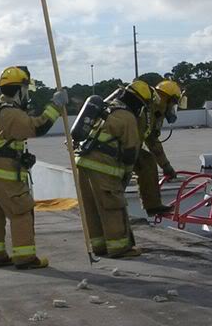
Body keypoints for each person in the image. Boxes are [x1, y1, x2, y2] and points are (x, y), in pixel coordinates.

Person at [0, 66, 67, 269]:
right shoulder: (11, 114)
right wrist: (55, 105)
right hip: (4, 176)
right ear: (20, 90)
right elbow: (38, 126)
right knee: (21, 213)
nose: (28, 94)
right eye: (27, 90)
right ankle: (25, 258)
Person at [74, 79, 153, 258]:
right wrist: (125, 175)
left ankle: (99, 246)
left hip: (82, 163)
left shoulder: (107, 108)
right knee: (113, 206)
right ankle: (120, 247)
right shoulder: (128, 117)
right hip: (103, 167)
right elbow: (131, 151)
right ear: (138, 103)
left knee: (92, 207)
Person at [135, 79, 183, 215]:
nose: (172, 109)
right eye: (173, 104)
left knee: (147, 161)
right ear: (166, 99)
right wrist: (166, 167)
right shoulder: (147, 110)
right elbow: (153, 144)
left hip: (128, 146)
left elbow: (153, 142)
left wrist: (166, 167)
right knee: (143, 162)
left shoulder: (154, 111)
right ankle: (152, 206)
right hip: (122, 146)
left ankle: (153, 206)